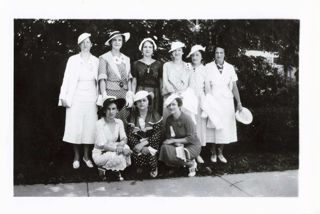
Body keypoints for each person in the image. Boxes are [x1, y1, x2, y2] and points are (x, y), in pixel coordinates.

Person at [58, 32, 99, 169]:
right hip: (75, 97)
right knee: (75, 127)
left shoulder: (96, 60)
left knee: (89, 127)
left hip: (91, 97)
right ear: (79, 45)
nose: (86, 45)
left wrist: (100, 99)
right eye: (83, 43)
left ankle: (86, 156)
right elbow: (66, 78)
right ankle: (76, 156)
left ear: (91, 44)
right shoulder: (73, 60)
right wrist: (63, 96)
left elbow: (99, 81)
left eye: (88, 42)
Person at [204, 46, 243, 163]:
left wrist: (239, 102)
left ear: (224, 54)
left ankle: (220, 152)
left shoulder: (230, 68)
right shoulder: (208, 67)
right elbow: (205, 86)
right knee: (213, 126)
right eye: (217, 53)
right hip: (213, 99)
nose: (219, 55)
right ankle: (213, 152)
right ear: (214, 54)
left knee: (224, 127)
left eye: (221, 53)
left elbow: (234, 87)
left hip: (226, 101)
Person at [159, 94, 201, 177]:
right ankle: (180, 164)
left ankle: (191, 164)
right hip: (178, 145)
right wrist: (174, 142)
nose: (171, 107)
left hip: (191, 145)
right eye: (169, 105)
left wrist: (174, 141)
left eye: (173, 104)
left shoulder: (187, 118)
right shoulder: (169, 119)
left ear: (179, 105)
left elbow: (191, 138)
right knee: (164, 147)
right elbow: (169, 136)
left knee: (178, 152)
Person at [92, 96, 132, 181]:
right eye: (108, 109)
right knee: (119, 155)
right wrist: (120, 150)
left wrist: (121, 145)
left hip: (114, 147)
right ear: (104, 110)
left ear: (117, 110)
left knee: (126, 147)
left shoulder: (119, 122)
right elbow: (103, 146)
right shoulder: (99, 124)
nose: (111, 112)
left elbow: (124, 138)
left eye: (113, 109)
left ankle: (112, 167)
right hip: (101, 153)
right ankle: (105, 168)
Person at [98, 31, 134, 122]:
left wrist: (130, 94)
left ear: (122, 42)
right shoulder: (104, 57)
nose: (117, 42)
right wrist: (104, 95)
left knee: (124, 119)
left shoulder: (126, 58)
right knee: (110, 118)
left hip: (124, 93)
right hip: (111, 93)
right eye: (114, 40)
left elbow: (129, 78)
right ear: (110, 42)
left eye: (119, 40)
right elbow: (102, 78)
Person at [127, 90, 162, 178]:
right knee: (137, 155)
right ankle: (140, 166)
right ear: (135, 103)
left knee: (150, 155)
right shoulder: (133, 116)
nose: (141, 103)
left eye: (144, 100)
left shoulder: (155, 115)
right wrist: (139, 146)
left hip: (151, 144)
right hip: (138, 145)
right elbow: (130, 135)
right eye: (139, 101)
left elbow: (157, 135)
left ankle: (153, 168)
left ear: (148, 102)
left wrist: (144, 144)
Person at [162, 41, 194, 122]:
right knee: (170, 121)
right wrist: (174, 94)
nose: (177, 52)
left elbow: (191, 83)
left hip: (185, 97)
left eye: (179, 50)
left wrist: (184, 94)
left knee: (185, 120)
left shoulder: (188, 65)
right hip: (170, 96)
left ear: (182, 52)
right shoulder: (167, 65)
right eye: (174, 51)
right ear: (172, 53)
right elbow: (165, 81)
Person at [187, 45, 207, 164]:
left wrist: (207, 103)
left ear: (201, 57)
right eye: (193, 55)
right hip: (189, 99)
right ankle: (191, 153)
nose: (195, 57)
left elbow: (207, 88)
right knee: (190, 126)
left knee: (199, 127)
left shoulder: (204, 69)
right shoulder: (187, 67)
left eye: (197, 55)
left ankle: (198, 153)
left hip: (200, 99)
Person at [132, 38, 163, 115]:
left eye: (150, 47)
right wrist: (132, 96)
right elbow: (134, 82)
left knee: (155, 115)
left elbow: (161, 81)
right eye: (145, 47)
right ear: (142, 50)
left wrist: (162, 95)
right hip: (140, 92)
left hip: (155, 93)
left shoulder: (158, 64)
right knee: (141, 115)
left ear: (153, 50)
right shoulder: (136, 64)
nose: (147, 49)